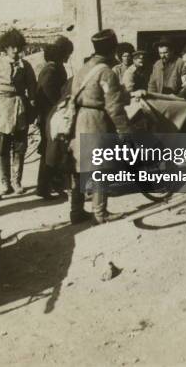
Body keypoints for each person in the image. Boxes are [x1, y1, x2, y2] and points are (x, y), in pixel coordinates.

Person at [71, 29, 130, 225]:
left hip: (79, 118)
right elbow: (113, 106)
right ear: (112, 49)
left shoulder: (84, 68)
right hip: (96, 120)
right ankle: (100, 213)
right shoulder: (106, 72)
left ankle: (76, 211)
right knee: (100, 167)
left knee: (79, 167)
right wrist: (124, 130)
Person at [0, 28, 37, 195]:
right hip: (2, 108)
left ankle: (17, 181)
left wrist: (32, 107)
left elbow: (32, 87)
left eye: (18, 47)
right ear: (5, 48)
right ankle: (5, 182)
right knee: (3, 148)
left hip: (20, 107)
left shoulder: (25, 65)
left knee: (20, 146)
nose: (15, 51)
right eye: (12, 47)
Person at [35, 36, 73, 199]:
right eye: (67, 53)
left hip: (47, 114)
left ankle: (47, 186)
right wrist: (59, 104)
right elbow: (47, 90)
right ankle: (45, 187)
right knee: (51, 151)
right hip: (50, 115)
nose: (68, 56)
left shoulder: (51, 67)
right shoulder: (52, 69)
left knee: (50, 151)